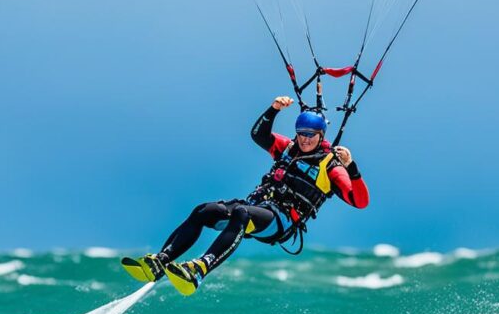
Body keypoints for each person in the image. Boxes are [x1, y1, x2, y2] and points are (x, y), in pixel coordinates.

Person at [121, 95, 370, 295]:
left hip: (281, 221)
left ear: (321, 136)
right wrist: (273, 110)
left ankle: (199, 269)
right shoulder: (287, 148)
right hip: (257, 207)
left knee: (240, 212)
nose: (304, 140)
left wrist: (352, 167)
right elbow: (258, 136)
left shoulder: (331, 165)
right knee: (204, 211)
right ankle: (161, 262)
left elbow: (360, 201)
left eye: (310, 135)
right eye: (301, 133)